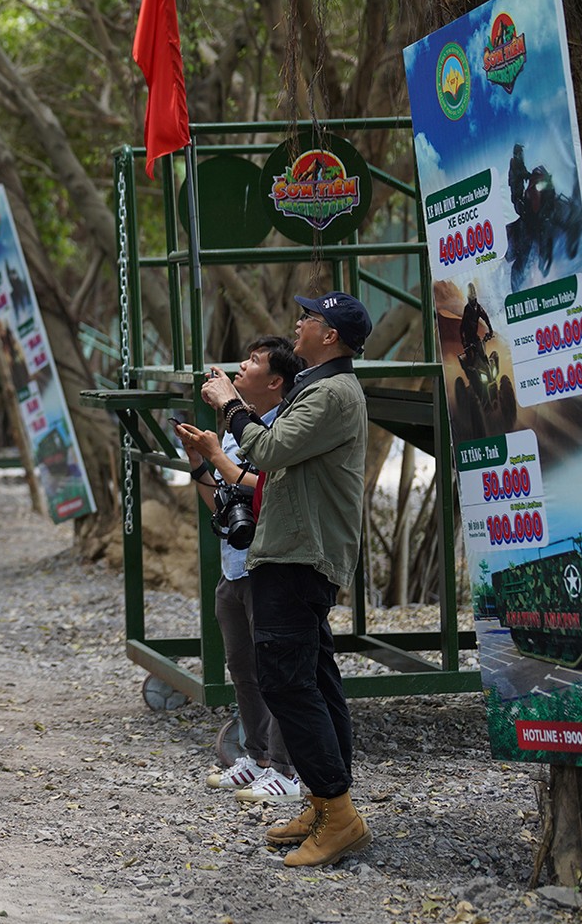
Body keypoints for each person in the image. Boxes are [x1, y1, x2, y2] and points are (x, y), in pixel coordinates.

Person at [198, 290, 373, 868]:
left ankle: (338, 814)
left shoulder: (331, 393)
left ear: (331, 336)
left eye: (310, 318)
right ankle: (327, 803)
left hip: (300, 555)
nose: (299, 324)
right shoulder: (319, 389)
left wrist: (230, 405)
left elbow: (267, 450)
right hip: (292, 549)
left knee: (287, 682)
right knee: (315, 679)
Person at [175, 336, 303, 808]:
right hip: (234, 565)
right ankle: (256, 755)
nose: (240, 367)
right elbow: (223, 503)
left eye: (251, 362)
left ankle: (287, 770)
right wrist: (197, 461)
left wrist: (217, 456)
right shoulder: (233, 432)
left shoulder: (285, 428)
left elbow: (267, 485)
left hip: (270, 564)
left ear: (275, 381)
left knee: (279, 670)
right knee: (242, 669)